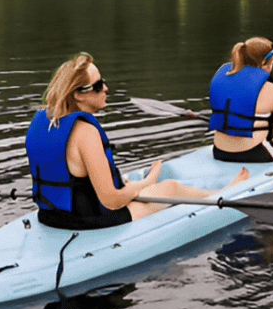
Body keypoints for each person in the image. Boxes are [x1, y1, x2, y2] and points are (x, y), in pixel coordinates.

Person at [25, 52, 247, 230]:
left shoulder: (43, 121)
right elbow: (112, 202)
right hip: (89, 220)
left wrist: (127, 187)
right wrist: (146, 182)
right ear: (78, 94)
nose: (105, 88)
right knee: (169, 187)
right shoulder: (84, 132)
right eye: (97, 85)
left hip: (50, 216)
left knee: (136, 186)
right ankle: (226, 193)